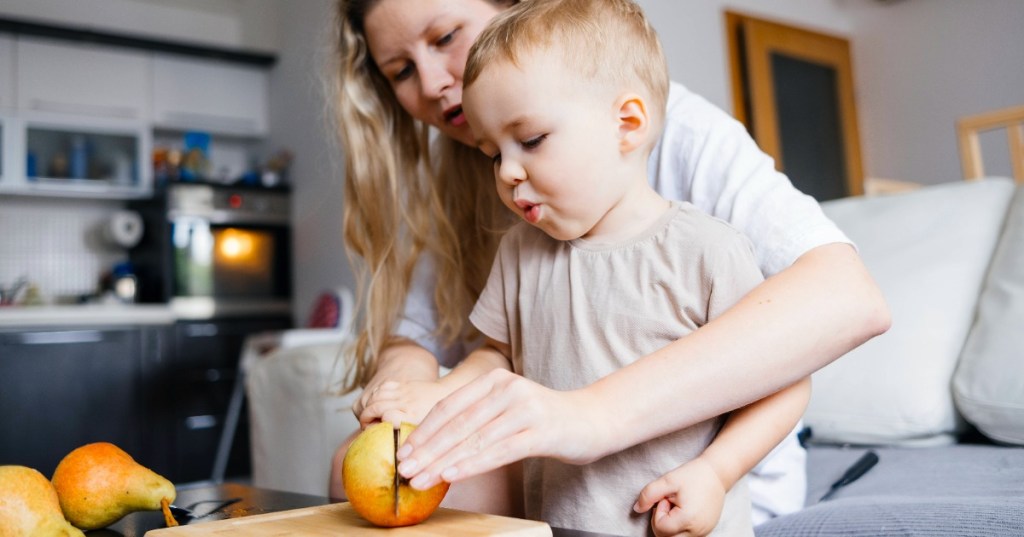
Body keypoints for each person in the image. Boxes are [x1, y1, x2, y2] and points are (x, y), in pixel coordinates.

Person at [329, 0, 891, 524]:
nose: (430, 83)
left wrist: (593, 417)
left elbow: (846, 299)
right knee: (359, 472)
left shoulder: (692, 199)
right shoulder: (517, 230)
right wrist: (408, 398)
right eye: (400, 71)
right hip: (564, 491)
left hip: (681, 484)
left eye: (447, 36)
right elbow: (458, 345)